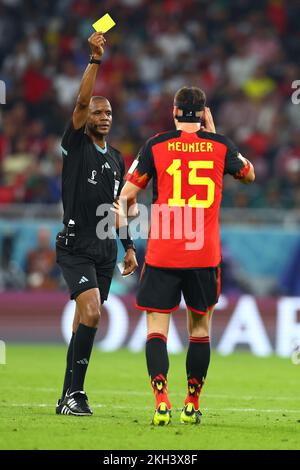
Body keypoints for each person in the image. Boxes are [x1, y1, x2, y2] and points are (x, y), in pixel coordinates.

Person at [116, 86, 255, 425]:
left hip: (164, 251)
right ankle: (191, 403)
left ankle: (161, 401)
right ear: (203, 112)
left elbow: (125, 197)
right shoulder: (221, 146)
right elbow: (249, 174)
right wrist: (214, 132)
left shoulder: (155, 144)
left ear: (175, 112)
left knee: (156, 329)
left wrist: (129, 230)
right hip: (204, 255)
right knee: (200, 329)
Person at [55, 32, 138, 416]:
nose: (103, 117)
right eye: (97, 112)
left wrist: (130, 248)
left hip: (105, 248)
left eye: (108, 113)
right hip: (75, 245)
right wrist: (95, 59)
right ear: (85, 117)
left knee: (83, 321)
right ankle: (78, 395)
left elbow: (117, 208)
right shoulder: (77, 145)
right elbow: (81, 99)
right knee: (91, 313)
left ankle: (67, 396)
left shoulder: (117, 159)